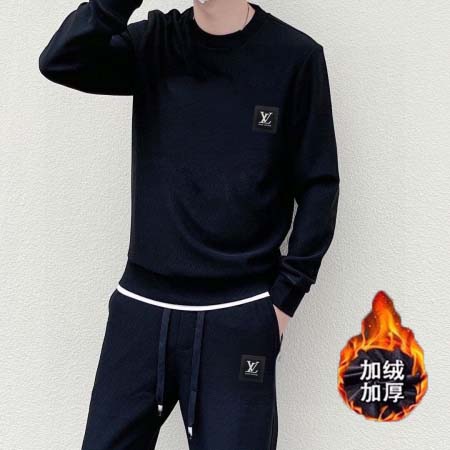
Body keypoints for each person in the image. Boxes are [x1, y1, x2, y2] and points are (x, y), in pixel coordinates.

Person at [39, 0, 340, 448]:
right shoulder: (155, 43)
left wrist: (284, 299)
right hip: (141, 306)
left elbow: (319, 184)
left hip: (238, 314)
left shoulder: (294, 56)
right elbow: (61, 60)